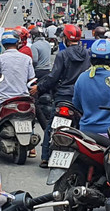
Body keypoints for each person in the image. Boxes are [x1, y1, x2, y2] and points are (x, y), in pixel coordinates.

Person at [36, 23, 91, 166]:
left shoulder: (62, 54)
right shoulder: (87, 54)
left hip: (63, 97)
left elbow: (53, 77)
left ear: (66, 38)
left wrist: (39, 88)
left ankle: (45, 157)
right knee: (81, 125)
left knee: (51, 125)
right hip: (81, 96)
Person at [0, 31, 36, 133]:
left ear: (4, 44)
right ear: (17, 43)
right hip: (23, 99)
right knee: (31, 121)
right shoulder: (27, 59)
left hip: (2, 100)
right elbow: (31, 79)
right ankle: (32, 147)